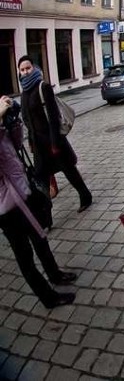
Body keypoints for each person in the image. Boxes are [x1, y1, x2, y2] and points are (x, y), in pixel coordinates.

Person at [0, 96, 77, 308]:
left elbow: (15, 144)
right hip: (6, 206)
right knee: (24, 255)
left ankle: (55, 274)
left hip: (23, 192)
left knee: (40, 238)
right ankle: (48, 297)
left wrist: (12, 121)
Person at [17, 56, 92, 212]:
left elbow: (53, 118)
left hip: (53, 141)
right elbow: (27, 120)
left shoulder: (43, 87)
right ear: (19, 71)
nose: (25, 72)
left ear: (34, 68)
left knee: (69, 170)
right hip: (38, 145)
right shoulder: (23, 93)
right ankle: (46, 217)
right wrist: (31, 141)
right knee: (42, 180)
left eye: (28, 68)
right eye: (22, 69)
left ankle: (85, 196)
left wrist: (55, 143)